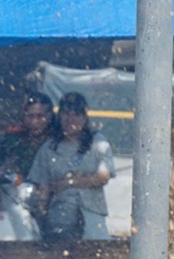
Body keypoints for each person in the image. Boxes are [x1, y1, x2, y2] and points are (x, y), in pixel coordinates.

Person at [30, 92, 113, 243]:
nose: (71, 119)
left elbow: (103, 176)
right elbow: (43, 187)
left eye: (76, 114)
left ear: (84, 117)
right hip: (59, 217)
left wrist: (69, 182)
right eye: (66, 114)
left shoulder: (98, 142)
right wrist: (39, 214)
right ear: (59, 116)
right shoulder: (48, 148)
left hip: (91, 213)